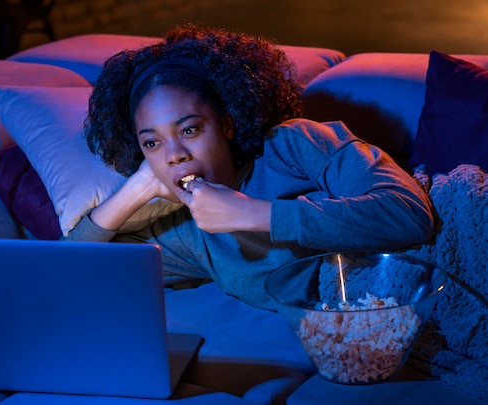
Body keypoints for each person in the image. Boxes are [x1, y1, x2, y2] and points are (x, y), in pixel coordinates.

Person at [62, 24, 434, 310]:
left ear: (227, 122)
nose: (174, 154)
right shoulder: (189, 233)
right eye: (153, 142)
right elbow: (70, 272)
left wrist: (255, 214)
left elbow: (410, 214)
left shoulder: (292, 143)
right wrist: (137, 189)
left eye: (189, 129)